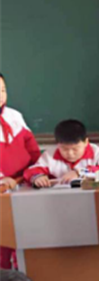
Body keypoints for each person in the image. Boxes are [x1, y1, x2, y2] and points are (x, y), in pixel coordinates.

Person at [0, 73, 41, 269]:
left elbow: (31, 147)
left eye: (2, 90)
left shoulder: (14, 116)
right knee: (3, 237)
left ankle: (22, 273)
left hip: (22, 184)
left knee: (23, 235)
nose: (0, 95)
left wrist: (36, 171)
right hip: (2, 190)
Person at [23, 119, 99, 187]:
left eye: (75, 149)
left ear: (86, 142)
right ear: (57, 144)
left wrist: (79, 172)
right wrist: (37, 177)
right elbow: (31, 171)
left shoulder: (98, 153)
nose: (70, 153)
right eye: (64, 149)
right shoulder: (49, 155)